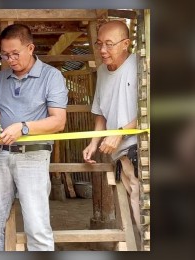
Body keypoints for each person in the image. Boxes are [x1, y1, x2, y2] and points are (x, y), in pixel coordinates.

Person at [0, 24, 68, 251]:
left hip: (34, 155)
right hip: (1, 155)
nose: (10, 59)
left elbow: (58, 121)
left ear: (30, 48)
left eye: (15, 53)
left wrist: (24, 128)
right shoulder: (1, 77)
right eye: (5, 54)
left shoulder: (52, 76)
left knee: (36, 228)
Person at [82, 21, 140, 233]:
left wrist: (121, 133)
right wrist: (94, 142)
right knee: (137, 211)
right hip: (121, 155)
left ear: (126, 43)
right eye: (99, 44)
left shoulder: (140, 65)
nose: (103, 50)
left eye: (109, 44)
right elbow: (101, 115)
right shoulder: (102, 72)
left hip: (142, 151)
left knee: (145, 209)